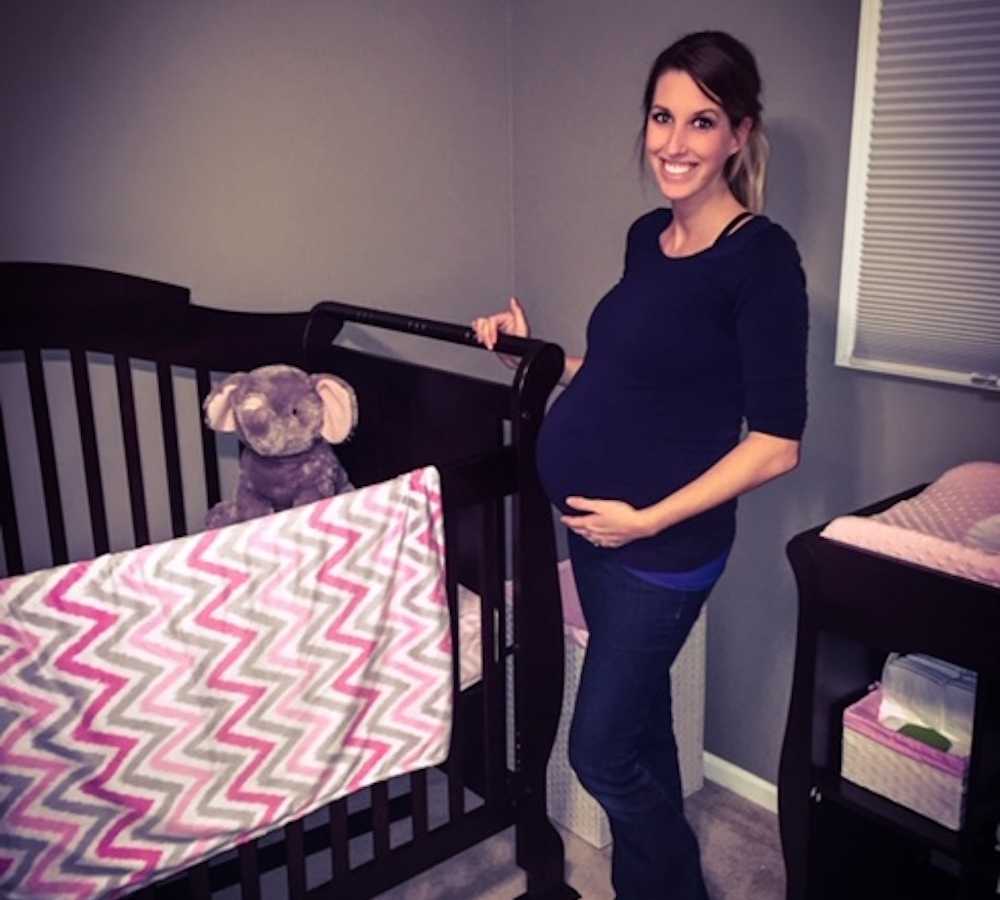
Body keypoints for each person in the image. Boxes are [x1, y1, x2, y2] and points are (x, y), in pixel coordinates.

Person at [473, 29, 808, 900]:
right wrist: (533, 355)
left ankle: (672, 885)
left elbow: (776, 443)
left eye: (702, 122)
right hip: (597, 533)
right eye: (663, 117)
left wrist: (648, 519)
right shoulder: (644, 238)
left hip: (661, 551)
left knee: (597, 751)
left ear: (738, 134)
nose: (674, 142)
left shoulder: (761, 259)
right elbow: (624, 372)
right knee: (644, 730)